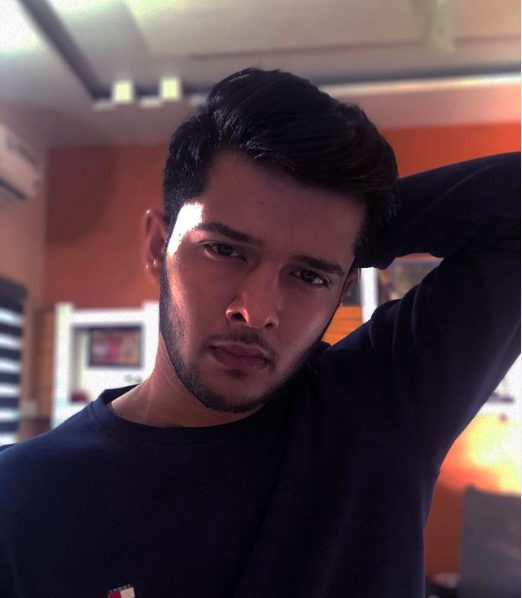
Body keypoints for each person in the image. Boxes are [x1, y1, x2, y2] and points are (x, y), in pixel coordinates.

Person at [0, 68, 519, 598]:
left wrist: (353, 232)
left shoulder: (377, 416)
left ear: (343, 288)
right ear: (159, 246)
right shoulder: (23, 495)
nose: (257, 311)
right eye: (224, 250)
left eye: (309, 275)